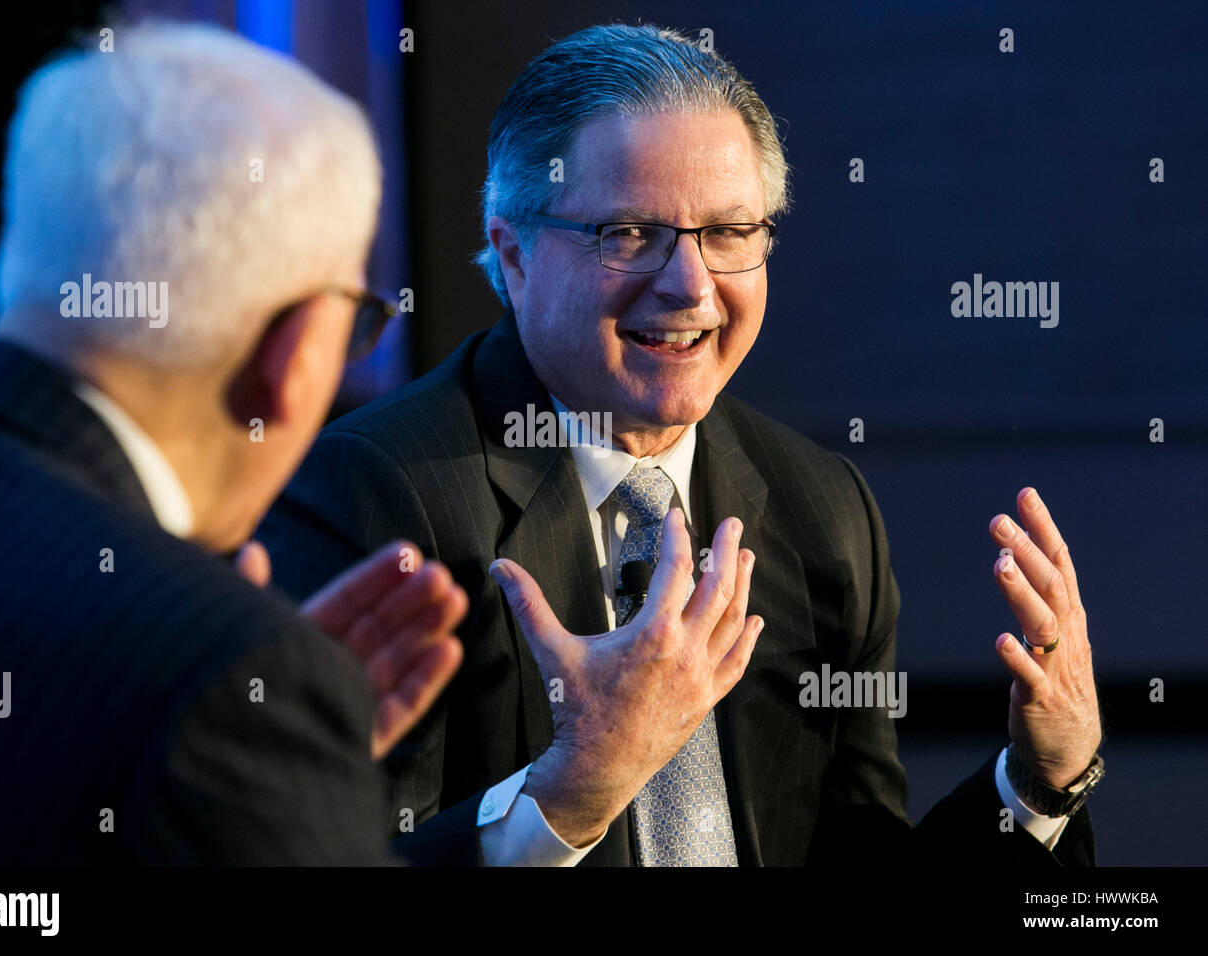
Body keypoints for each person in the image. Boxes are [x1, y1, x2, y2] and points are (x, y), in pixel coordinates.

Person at [258, 23, 1103, 866]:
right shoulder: (375, 490)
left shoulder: (824, 510)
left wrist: (1036, 787)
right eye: (628, 232)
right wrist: (573, 789)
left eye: (731, 233)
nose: (691, 285)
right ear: (513, 255)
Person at [0, 22, 465, 865]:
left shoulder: (215, 681)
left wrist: (278, 777)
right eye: (358, 319)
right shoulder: (218, 680)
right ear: (298, 353)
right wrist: (254, 738)